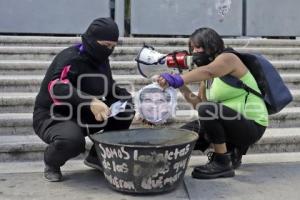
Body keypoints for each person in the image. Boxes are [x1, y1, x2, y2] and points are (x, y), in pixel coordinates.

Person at [32, 18, 135, 182]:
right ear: (92, 40)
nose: (108, 50)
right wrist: (91, 102)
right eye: (105, 45)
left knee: (126, 109)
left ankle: (97, 156)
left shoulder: (101, 61)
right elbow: (57, 87)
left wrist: (132, 100)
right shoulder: (70, 58)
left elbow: (109, 87)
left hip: (84, 115)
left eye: (112, 47)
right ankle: (51, 162)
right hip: (53, 116)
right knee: (72, 141)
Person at [157, 27, 268, 179]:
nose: (195, 51)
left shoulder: (229, 58)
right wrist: (180, 85)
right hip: (229, 122)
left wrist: (179, 79)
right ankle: (230, 152)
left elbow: (209, 71)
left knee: (208, 109)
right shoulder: (207, 76)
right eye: (193, 48)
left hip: (252, 125)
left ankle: (222, 162)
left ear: (212, 46)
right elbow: (199, 105)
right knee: (180, 137)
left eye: (199, 47)